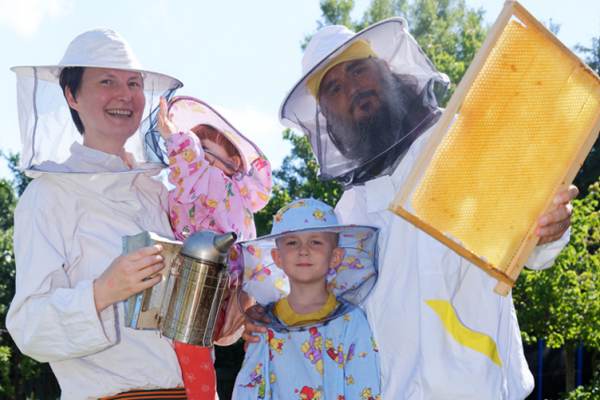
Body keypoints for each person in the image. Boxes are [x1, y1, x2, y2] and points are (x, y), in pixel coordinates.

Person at [244, 20, 579, 399]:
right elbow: (323, 306)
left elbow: (531, 241)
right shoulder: (345, 214)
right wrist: (271, 317)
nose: (353, 88)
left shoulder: (460, 147)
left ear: (385, 70)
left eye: (358, 69)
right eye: (334, 88)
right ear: (327, 116)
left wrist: (551, 228)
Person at [6, 28, 238, 400]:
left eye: (133, 83)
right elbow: (29, 328)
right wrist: (104, 291)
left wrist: (232, 309)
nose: (124, 95)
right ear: (72, 95)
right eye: (106, 81)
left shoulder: (163, 194)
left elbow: (202, 324)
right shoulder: (48, 196)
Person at [157, 95, 272, 399]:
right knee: (185, 346)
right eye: (194, 146)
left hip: (211, 287)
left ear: (232, 163)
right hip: (199, 282)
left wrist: (174, 138)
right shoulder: (197, 190)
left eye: (205, 149)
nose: (196, 154)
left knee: (189, 344)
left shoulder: (225, 188)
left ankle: (203, 396)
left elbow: (193, 172)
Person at [233, 199, 381, 400]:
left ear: (335, 257)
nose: (304, 251)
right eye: (292, 242)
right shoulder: (264, 323)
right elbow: (248, 388)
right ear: (278, 258)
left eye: (316, 242)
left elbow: (364, 389)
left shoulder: (351, 322)